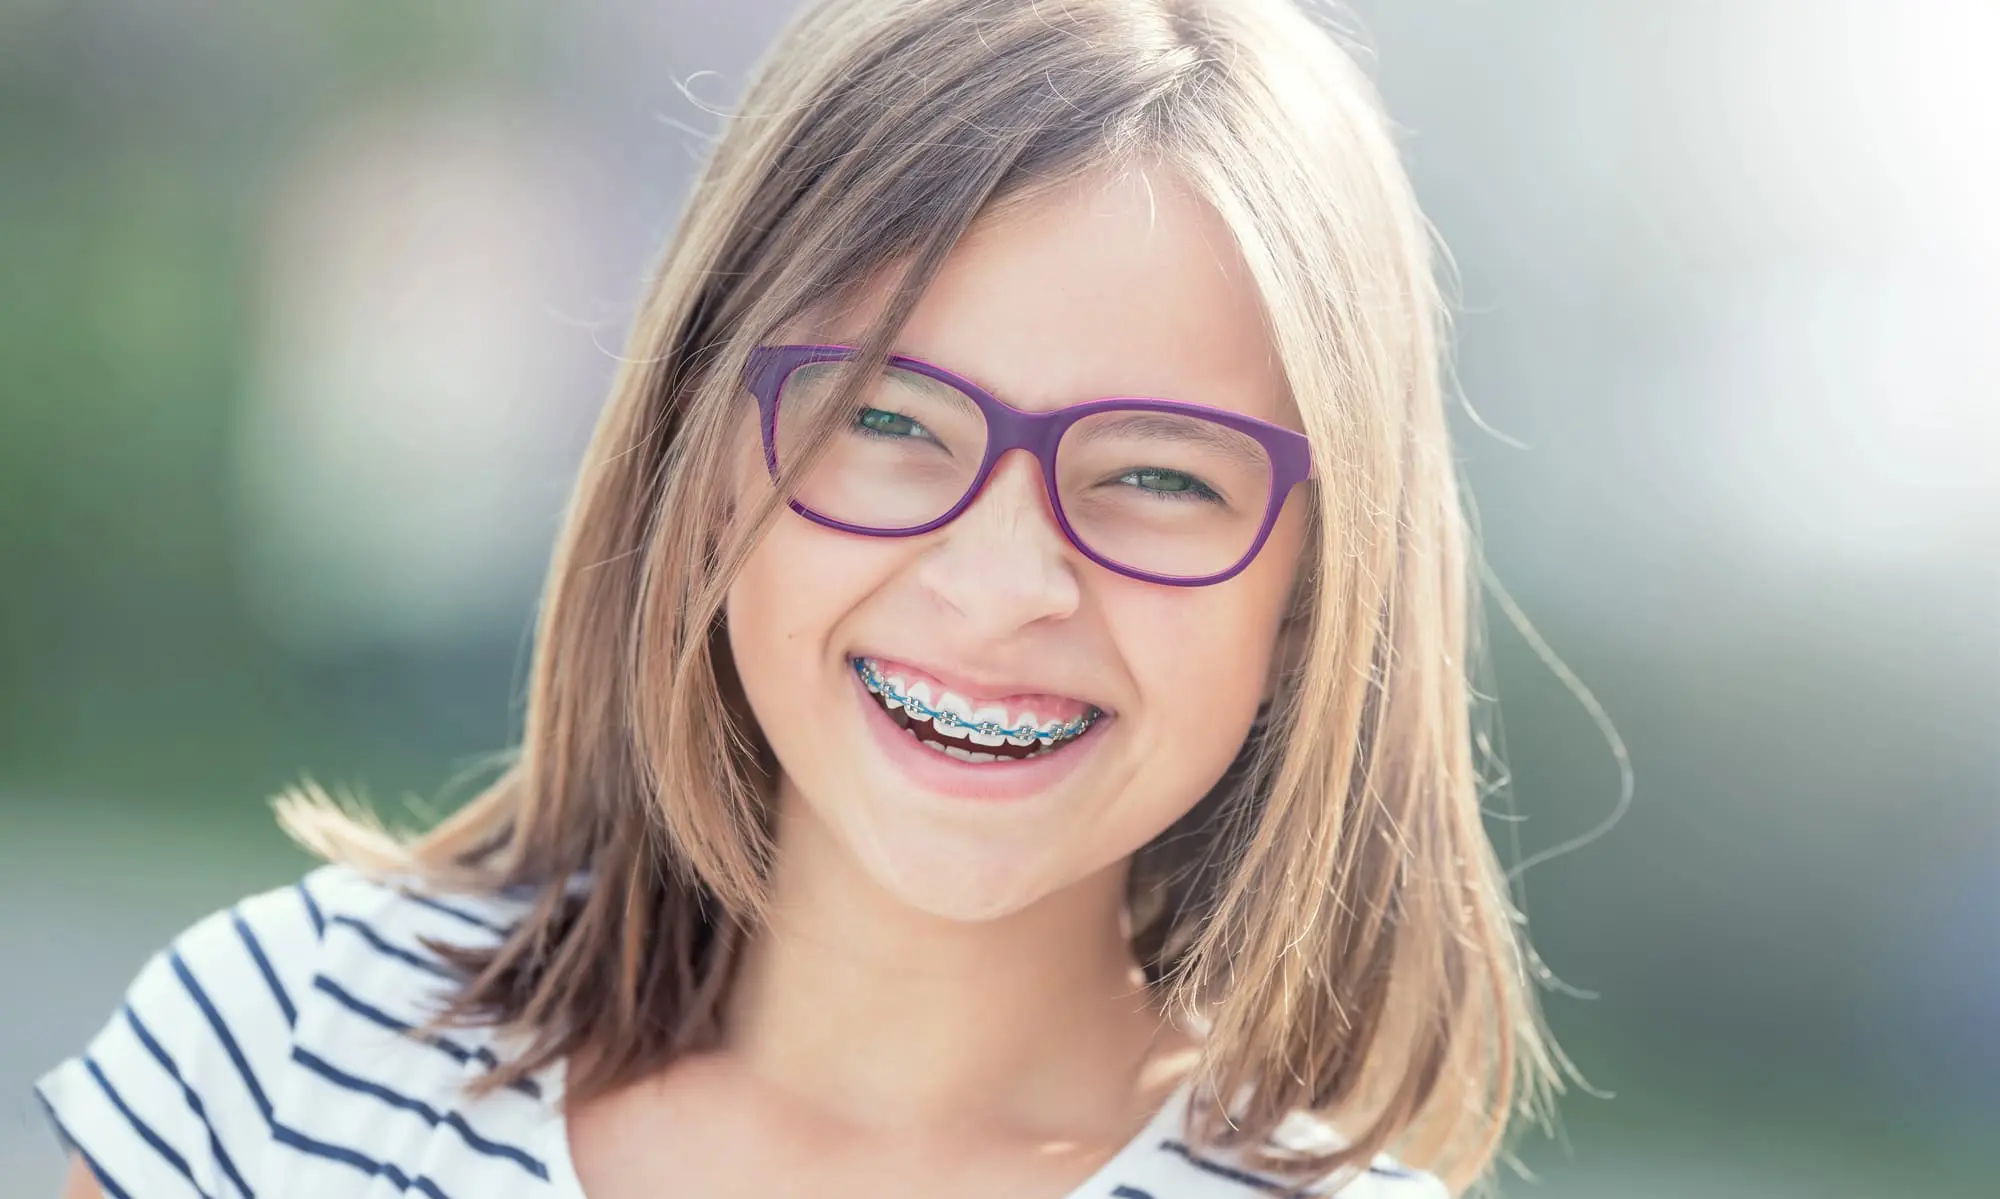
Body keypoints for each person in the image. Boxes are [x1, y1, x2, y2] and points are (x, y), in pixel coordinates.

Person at [36, 0, 1565, 1194]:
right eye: (889, 424)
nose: (1006, 580)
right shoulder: (287, 1056)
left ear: (1314, 585)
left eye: (1160, 477)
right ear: (696, 458)